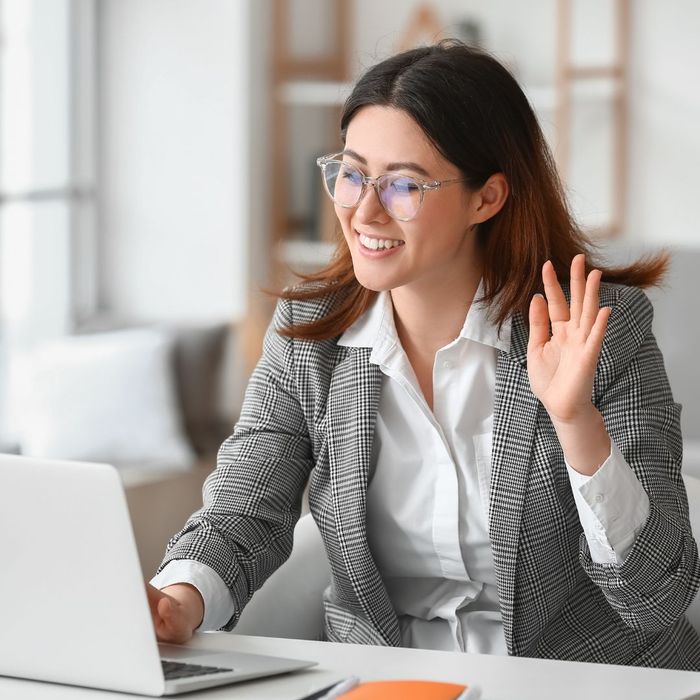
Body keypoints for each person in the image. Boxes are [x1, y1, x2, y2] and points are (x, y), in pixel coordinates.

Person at [146, 40, 700, 668]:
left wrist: (577, 423)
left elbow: (658, 597)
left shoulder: (598, 328)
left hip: (583, 684)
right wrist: (178, 598)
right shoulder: (311, 337)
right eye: (351, 175)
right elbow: (243, 513)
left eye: (403, 185)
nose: (364, 211)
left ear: (486, 198)